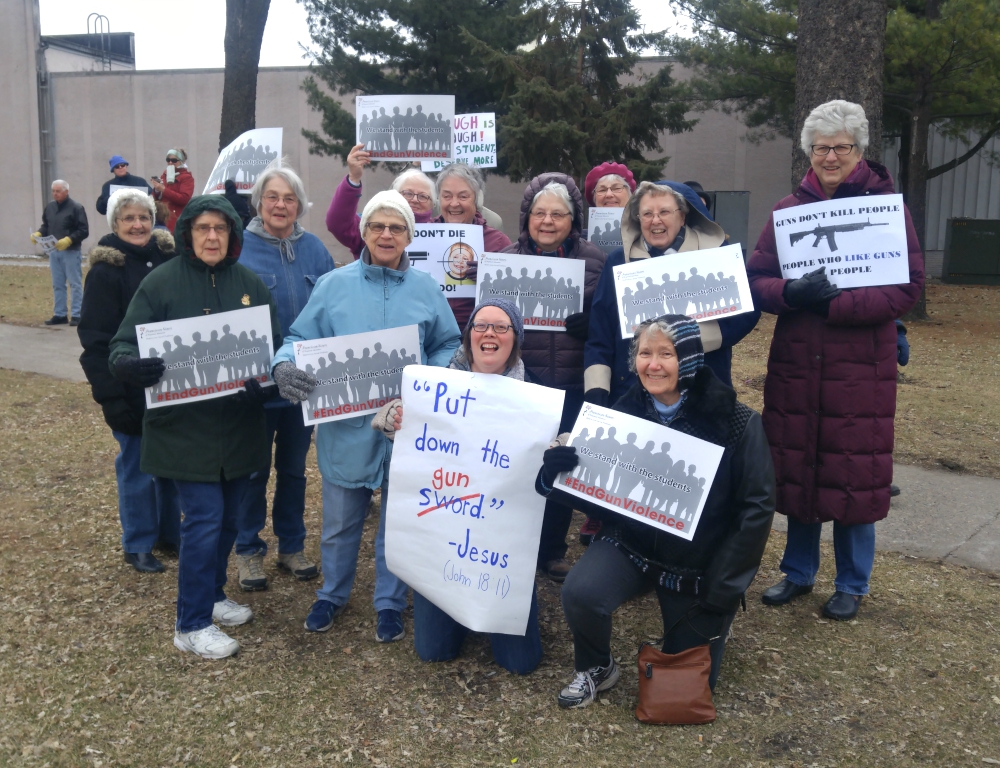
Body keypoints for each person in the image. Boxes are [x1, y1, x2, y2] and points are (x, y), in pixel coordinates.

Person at [537, 315, 775, 708]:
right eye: (644, 353)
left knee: (680, 695)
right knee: (580, 593)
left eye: (667, 353)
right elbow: (592, 493)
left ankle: (717, 621)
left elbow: (758, 508)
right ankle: (597, 666)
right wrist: (554, 474)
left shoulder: (737, 422)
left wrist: (725, 585)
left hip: (696, 560)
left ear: (691, 359)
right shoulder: (621, 414)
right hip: (631, 544)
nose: (653, 364)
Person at [747, 100, 925, 621]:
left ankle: (852, 580)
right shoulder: (787, 210)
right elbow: (758, 281)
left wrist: (837, 304)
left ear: (859, 150)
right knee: (799, 466)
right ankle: (798, 571)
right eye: (821, 148)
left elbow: (906, 288)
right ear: (809, 151)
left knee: (854, 472)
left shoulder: (886, 207)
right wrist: (793, 292)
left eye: (841, 147)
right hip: (799, 361)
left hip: (860, 365)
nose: (830, 157)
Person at [271, 190, 461, 642]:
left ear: (408, 236)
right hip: (345, 423)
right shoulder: (334, 285)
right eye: (377, 226)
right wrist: (283, 365)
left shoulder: (426, 288)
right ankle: (332, 593)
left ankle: (390, 602)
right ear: (364, 232)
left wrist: (425, 382)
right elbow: (300, 336)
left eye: (396, 227)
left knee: (397, 520)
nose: (386, 234)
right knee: (339, 519)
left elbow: (447, 342)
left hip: (404, 424)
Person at [108, 195, 282, 659]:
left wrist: (267, 385)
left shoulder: (249, 284)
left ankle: (212, 593)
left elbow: (275, 349)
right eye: (203, 228)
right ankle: (191, 623)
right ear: (187, 232)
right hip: (185, 429)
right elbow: (123, 344)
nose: (211, 237)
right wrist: (129, 366)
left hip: (239, 428)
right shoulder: (161, 282)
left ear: (233, 235)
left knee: (229, 520)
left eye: (220, 229)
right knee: (204, 520)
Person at [372, 298, 543, 674]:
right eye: (481, 326)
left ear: (516, 339)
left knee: (521, 663)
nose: (490, 334)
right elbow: (408, 440)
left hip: (501, 550)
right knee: (433, 652)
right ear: (468, 337)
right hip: (443, 543)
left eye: (502, 327)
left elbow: (554, 456)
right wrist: (391, 420)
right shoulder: (435, 389)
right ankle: (457, 608)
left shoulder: (535, 399)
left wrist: (559, 450)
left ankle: (510, 601)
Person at [234, 163, 335, 591]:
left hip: (303, 385)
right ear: (259, 202)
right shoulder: (239, 248)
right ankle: (248, 550)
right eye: (272, 197)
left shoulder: (314, 249)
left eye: (289, 198)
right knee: (253, 471)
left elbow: (332, 304)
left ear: (300, 205)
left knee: (294, 470)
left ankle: (291, 546)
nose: (280, 205)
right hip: (257, 386)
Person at [502, 173, 607, 582]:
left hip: (572, 382)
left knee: (563, 464)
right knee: (520, 466)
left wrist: (592, 324)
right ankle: (516, 545)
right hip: (523, 382)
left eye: (558, 214)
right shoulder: (507, 259)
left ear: (573, 219)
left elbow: (612, 323)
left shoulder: (596, 259)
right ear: (527, 216)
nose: (548, 221)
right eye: (540, 213)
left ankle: (552, 551)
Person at [78, 188, 181, 573]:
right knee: (137, 468)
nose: (138, 225)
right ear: (116, 225)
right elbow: (95, 340)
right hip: (130, 387)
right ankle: (137, 542)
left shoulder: (170, 259)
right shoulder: (107, 272)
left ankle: (170, 533)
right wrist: (111, 398)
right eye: (129, 218)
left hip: (171, 383)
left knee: (173, 466)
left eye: (144, 217)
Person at [584, 181, 760, 404]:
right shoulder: (618, 262)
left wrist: (684, 342)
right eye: (647, 213)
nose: (655, 220)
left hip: (702, 391)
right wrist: (597, 390)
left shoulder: (715, 255)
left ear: (683, 216)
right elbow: (600, 334)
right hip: (632, 393)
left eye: (664, 212)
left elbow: (747, 312)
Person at [433, 163, 513, 326]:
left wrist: (492, 282)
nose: (454, 203)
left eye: (463, 197)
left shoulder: (499, 243)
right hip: (432, 333)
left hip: (478, 334)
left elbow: (512, 299)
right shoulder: (420, 237)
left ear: (477, 200)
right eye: (447, 196)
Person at [326, 144, 438, 258]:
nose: (415, 200)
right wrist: (354, 177)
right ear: (394, 195)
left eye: (423, 196)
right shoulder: (372, 227)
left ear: (433, 204)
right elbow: (338, 224)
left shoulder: (442, 231)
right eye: (408, 193)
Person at [32, 180, 89, 326]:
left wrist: (69, 240)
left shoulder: (76, 208)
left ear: (66, 191)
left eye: (58, 191)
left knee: (75, 283)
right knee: (57, 284)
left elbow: (83, 230)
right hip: (54, 251)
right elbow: (46, 225)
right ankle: (60, 314)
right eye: (53, 191)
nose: (55, 193)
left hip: (70, 251)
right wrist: (39, 233)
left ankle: (76, 314)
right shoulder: (50, 207)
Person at [150, 148, 194, 232]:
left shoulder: (187, 177)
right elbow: (157, 197)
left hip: (176, 218)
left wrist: (163, 190)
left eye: (174, 160)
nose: (170, 162)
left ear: (181, 161)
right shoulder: (165, 174)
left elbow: (184, 198)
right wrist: (157, 190)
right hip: (162, 217)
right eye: (168, 160)